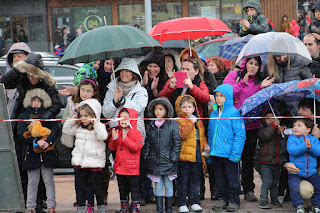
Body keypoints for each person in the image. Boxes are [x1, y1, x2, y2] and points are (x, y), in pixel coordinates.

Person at [0, 53, 61, 210]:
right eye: (28, 74)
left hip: (43, 129)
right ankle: (28, 203)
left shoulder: (48, 84)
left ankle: (41, 202)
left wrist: (41, 118)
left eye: (34, 75)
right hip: (23, 125)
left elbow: (57, 105)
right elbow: (4, 82)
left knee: (42, 172)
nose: (31, 78)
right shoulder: (22, 77)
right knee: (25, 167)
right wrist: (20, 68)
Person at [223, 56, 274, 202]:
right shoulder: (234, 75)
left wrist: (262, 88)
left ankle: (248, 190)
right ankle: (230, 189)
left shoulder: (258, 81)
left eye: (256, 64)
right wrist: (242, 84)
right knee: (232, 158)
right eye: (251, 63)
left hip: (252, 125)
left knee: (248, 159)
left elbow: (257, 100)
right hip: (234, 125)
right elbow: (225, 93)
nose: (253, 67)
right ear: (245, 64)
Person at [17, 89, 59, 213]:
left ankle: (52, 206)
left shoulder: (48, 115)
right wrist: (35, 142)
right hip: (31, 154)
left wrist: (48, 142)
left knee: (49, 181)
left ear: (43, 102)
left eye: (38, 101)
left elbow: (56, 130)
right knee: (32, 182)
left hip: (47, 154)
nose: (35, 103)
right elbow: (21, 133)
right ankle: (30, 207)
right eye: (33, 100)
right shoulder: (23, 116)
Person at [62, 98, 108, 213]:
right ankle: (81, 207)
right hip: (80, 162)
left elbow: (103, 136)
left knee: (96, 188)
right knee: (80, 188)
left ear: (94, 115)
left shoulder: (99, 126)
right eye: (81, 115)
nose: (83, 118)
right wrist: (72, 119)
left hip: (94, 163)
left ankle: (101, 207)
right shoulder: (77, 127)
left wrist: (96, 123)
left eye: (86, 116)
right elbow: (66, 130)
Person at [61, 79, 100, 211]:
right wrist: (72, 118)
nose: (84, 93)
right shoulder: (71, 101)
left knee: (91, 180)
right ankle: (80, 203)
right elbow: (64, 120)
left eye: (88, 91)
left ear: (93, 93)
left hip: (92, 144)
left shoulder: (95, 104)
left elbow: (99, 124)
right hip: (77, 142)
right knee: (79, 180)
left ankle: (90, 204)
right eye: (82, 90)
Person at [208, 84, 245, 212]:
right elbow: (210, 132)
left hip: (229, 153)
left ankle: (234, 200)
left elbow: (240, 134)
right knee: (219, 178)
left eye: (221, 96)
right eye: (217, 95)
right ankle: (222, 198)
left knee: (232, 178)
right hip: (216, 152)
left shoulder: (233, 112)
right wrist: (209, 149)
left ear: (227, 97)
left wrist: (236, 154)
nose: (218, 98)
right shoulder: (213, 113)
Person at [279, 98, 320, 209]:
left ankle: (315, 204)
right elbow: (283, 155)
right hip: (299, 173)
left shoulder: (316, 131)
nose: (299, 112)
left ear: (314, 112)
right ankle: (302, 203)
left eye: (304, 109)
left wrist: (318, 138)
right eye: (299, 109)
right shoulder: (292, 135)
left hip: (313, 172)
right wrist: (286, 164)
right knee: (303, 190)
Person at [143, 97, 181, 213]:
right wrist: (147, 155)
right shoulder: (150, 125)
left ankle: (168, 209)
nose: (158, 111)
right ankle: (159, 208)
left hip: (169, 161)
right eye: (156, 109)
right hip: (154, 161)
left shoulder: (172, 125)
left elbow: (177, 143)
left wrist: (174, 157)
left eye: (161, 109)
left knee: (169, 185)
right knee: (158, 185)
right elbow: (148, 142)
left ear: (166, 111)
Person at [175, 94, 208, 213]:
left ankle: (194, 201)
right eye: (184, 107)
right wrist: (190, 123)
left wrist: (206, 146)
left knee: (196, 181)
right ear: (179, 108)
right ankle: (182, 202)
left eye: (189, 106)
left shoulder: (198, 120)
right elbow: (182, 135)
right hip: (184, 156)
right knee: (183, 181)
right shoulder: (179, 121)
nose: (187, 109)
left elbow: (202, 135)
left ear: (194, 108)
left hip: (197, 155)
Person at [102, 58, 148, 140]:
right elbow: (106, 113)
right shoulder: (112, 88)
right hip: (116, 135)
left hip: (134, 135)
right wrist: (114, 103)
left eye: (127, 71)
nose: (123, 74)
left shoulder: (141, 91)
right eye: (122, 71)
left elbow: (139, 109)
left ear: (133, 73)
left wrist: (123, 101)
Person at [109, 108, 144, 213]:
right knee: (122, 189)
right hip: (120, 168)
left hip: (132, 168)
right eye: (121, 117)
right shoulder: (118, 132)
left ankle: (134, 207)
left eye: (126, 117)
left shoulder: (137, 133)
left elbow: (136, 148)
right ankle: (123, 207)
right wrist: (114, 138)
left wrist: (126, 139)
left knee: (134, 188)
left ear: (132, 119)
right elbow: (112, 147)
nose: (123, 120)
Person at [287, 118, 320, 213]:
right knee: (294, 187)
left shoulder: (314, 139)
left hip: (311, 172)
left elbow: (318, 152)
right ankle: (298, 205)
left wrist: (311, 147)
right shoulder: (292, 138)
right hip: (296, 171)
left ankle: (316, 205)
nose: (295, 127)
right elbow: (292, 150)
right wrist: (304, 146)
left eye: (299, 125)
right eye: (294, 126)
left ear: (308, 129)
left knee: (318, 187)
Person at [257, 109, 284, 209]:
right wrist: (273, 126)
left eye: (273, 118)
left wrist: (282, 131)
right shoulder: (262, 130)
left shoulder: (277, 130)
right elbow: (266, 135)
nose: (271, 120)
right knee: (267, 181)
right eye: (268, 118)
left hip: (276, 161)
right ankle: (263, 200)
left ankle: (274, 199)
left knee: (274, 182)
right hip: (265, 161)